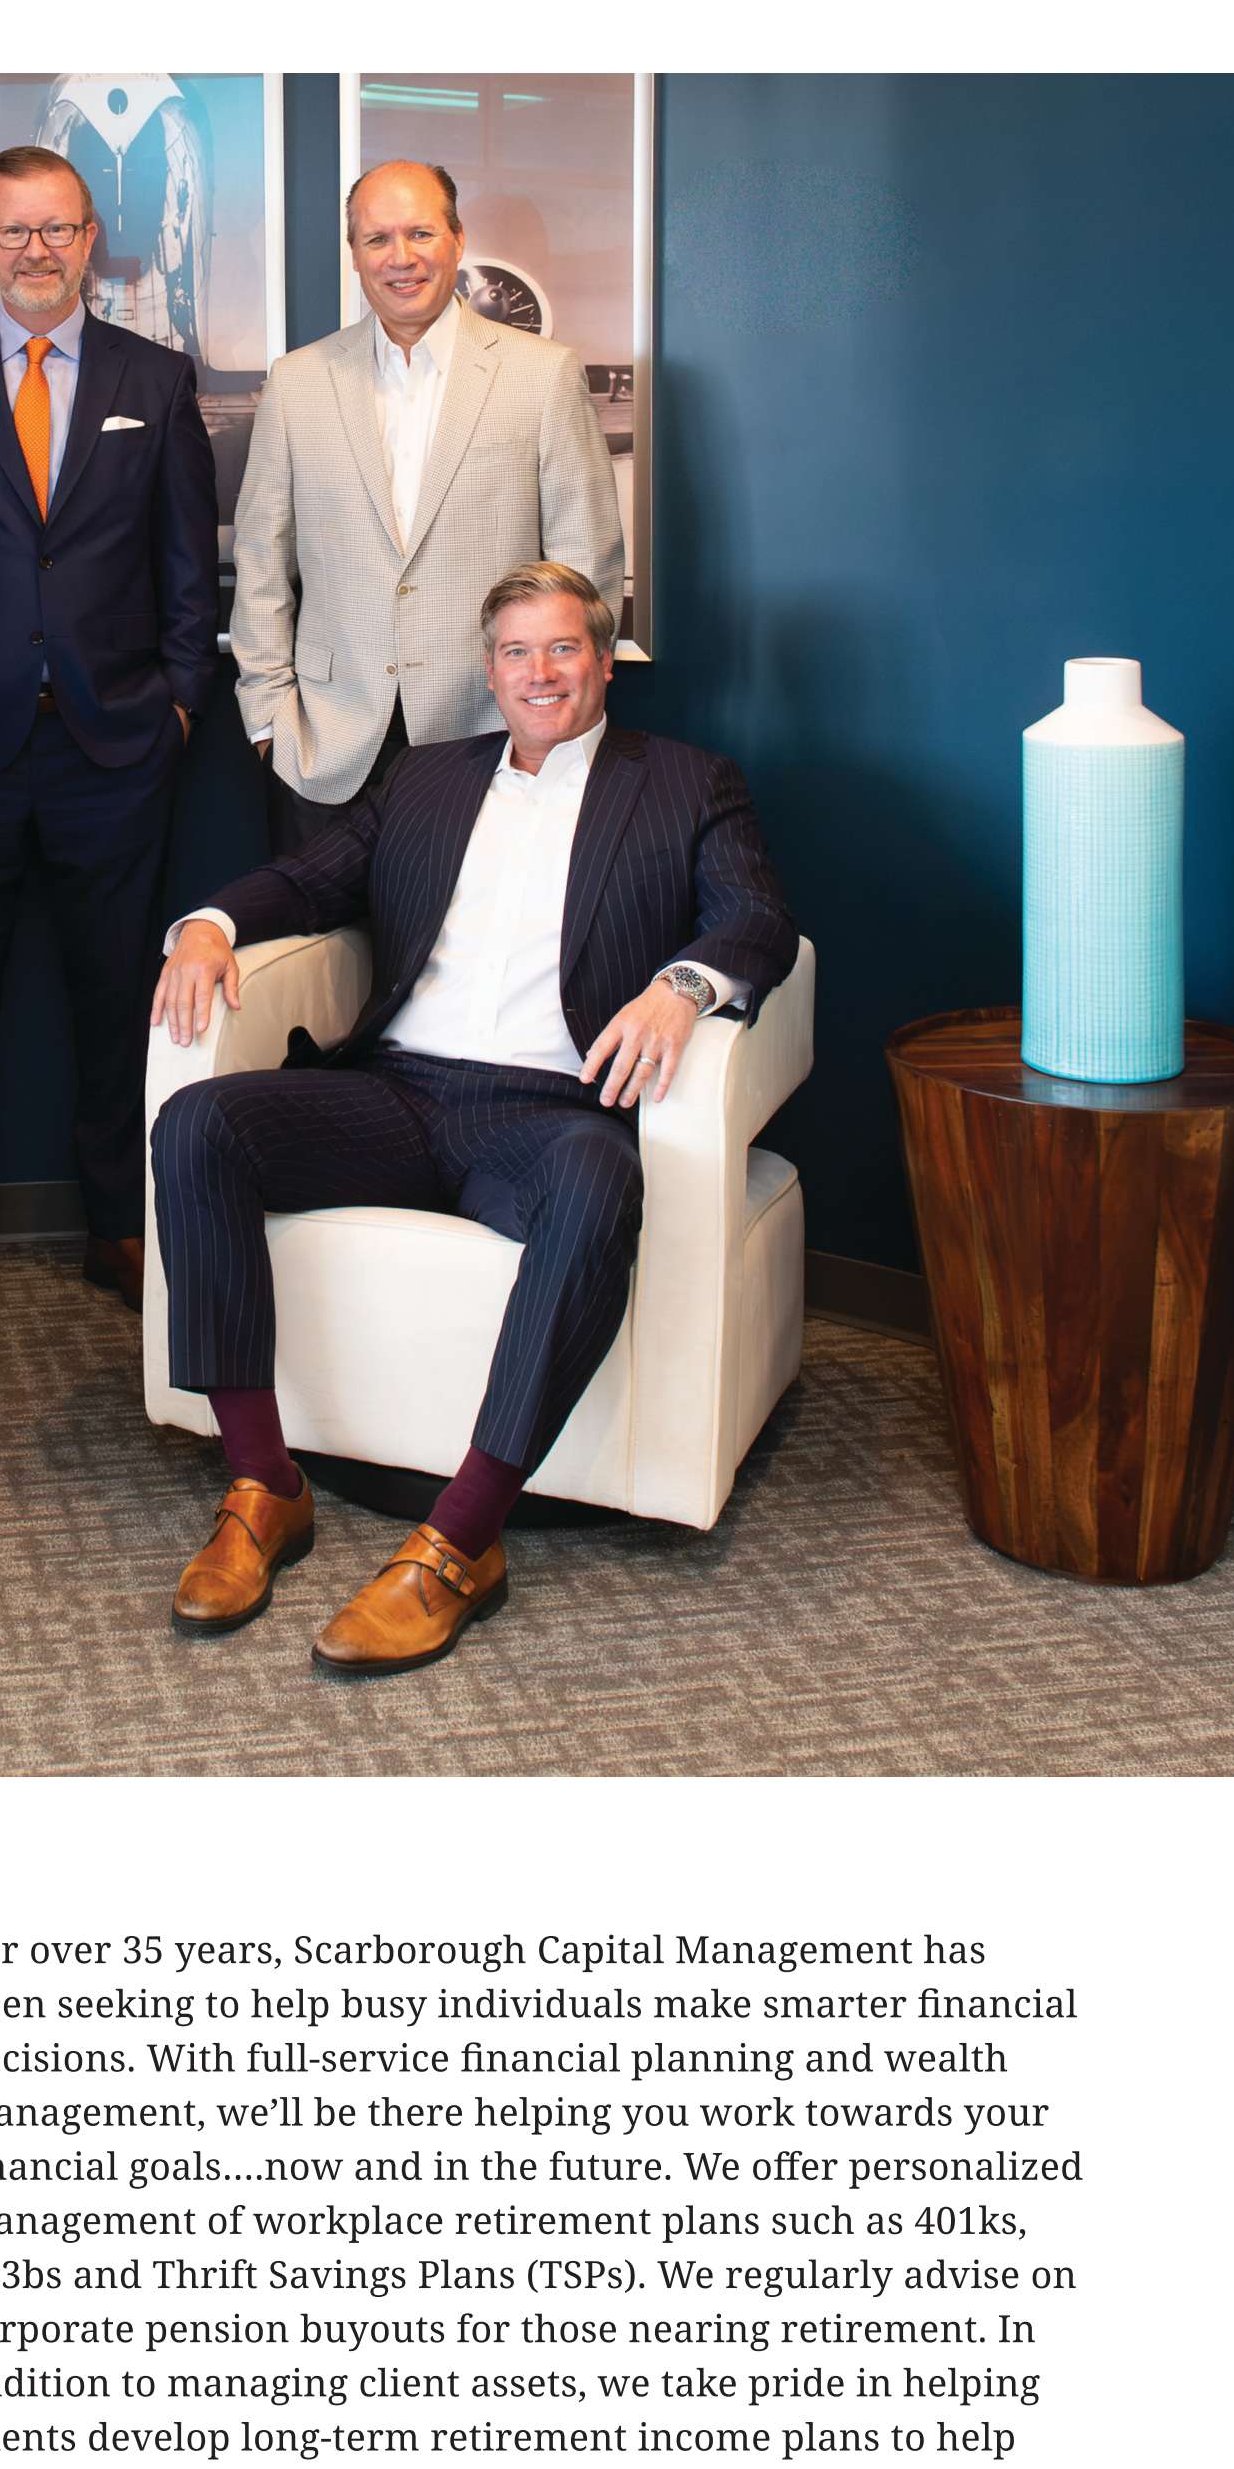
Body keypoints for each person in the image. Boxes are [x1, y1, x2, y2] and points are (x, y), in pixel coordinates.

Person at [148, 562, 795, 1675]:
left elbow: (757, 920)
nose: (539, 673)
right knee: (198, 1124)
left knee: (598, 1181)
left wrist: (681, 987)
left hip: (549, 1113)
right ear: (488, 671)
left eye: (562, 648)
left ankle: (461, 1538)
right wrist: (208, 924)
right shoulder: (428, 779)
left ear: (603, 660)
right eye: (515, 652)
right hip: (400, 1095)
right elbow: (309, 880)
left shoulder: (688, 782)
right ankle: (262, 1486)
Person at [0, 144, 220, 1317]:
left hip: (111, 749)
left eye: (56, 228)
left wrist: (177, 699)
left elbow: (186, 563)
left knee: (116, 996)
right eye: (13, 230)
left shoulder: (155, 380)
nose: (36, 250)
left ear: (89, 240)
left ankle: (117, 1223)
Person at [230, 160, 623, 858]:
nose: (400, 258)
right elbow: (261, 561)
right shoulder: (297, 382)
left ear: (457, 239)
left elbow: (586, 562)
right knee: (318, 934)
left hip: (496, 735)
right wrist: (267, 722)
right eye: (377, 239)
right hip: (324, 748)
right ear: (354, 254)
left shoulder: (543, 375)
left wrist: (554, 719)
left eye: (420, 233)